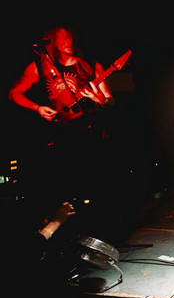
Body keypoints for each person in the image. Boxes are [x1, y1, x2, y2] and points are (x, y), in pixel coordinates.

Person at [8, 26, 115, 213]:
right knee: (61, 186)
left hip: (89, 135)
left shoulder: (90, 65)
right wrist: (37, 108)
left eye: (71, 37)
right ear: (53, 41)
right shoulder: (40, 67)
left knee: (93, 186)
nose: (69, 41)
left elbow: (110, 101)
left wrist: (99, 99)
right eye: (64, 38)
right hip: (57, 136)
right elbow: (13, 93)